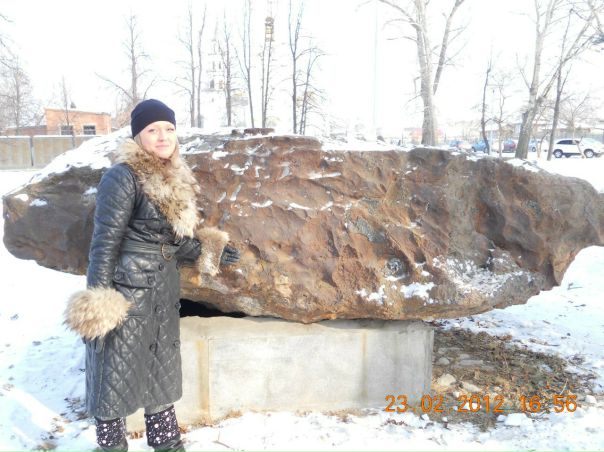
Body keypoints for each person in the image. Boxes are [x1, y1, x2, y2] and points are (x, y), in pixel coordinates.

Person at [64, 99, 240, 452]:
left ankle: (167, 444)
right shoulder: (123, 176)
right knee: (114, 375)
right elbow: (104, 243)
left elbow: (170, 239)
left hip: (161, 290)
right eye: (153, 129)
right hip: (127, 291)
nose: (163, 136)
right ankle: (112, 447)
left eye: (169, 129)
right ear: (138, 136)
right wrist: (99, 302)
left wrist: (207, 250)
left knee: (160, 375)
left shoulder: (174, 176)